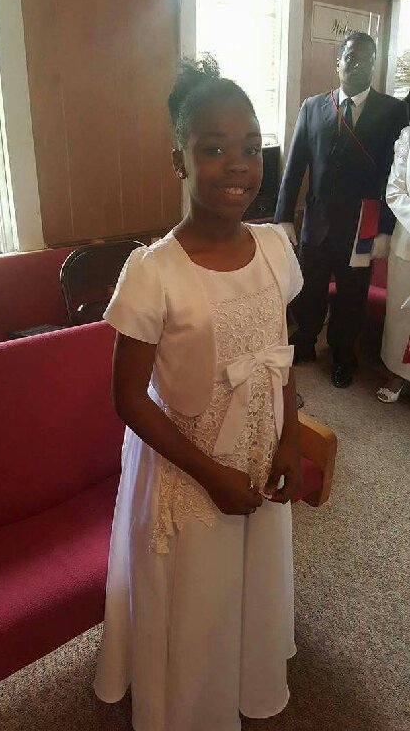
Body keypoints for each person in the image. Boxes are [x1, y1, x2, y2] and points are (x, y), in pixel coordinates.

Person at [93, 56, 304, 731]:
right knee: (197, 597)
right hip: (190, 467)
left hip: (260, 451)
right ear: (178, 160)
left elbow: (279, 353)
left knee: (248, 578)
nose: (238, 165)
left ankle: (243, 676)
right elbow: (129, 398)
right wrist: (210, 473)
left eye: (250, 147)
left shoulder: (275, 248)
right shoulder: (152, 271)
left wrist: (291, 438)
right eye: (213, 149)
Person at [275, 32, 408, 388]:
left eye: (367, 58)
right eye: (351, 57)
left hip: (363, 224)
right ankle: (305, 341)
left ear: (375, 65)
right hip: (316, 222)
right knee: (309, 289)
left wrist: (385, 228)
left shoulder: (393, 111)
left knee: (352, 295)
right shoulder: (312, 106)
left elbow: (395, 174)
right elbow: (295, 165)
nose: (358, 64)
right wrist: (283, 217)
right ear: (338, 63)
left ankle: (342, 356)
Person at [377, 126, 410, 402]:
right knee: (401, 312)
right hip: (408, 240)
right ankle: (398, 372)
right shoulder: (407, 138)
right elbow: (394, 191)